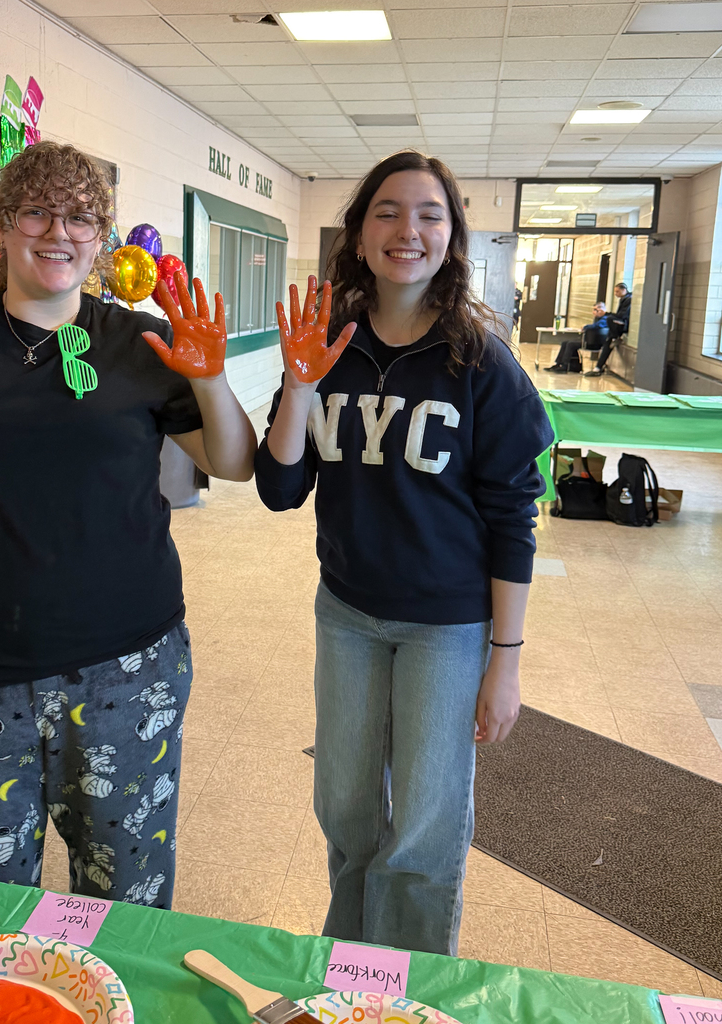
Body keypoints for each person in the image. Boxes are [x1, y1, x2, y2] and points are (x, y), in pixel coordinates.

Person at [0, 141, 256, 906]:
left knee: (127, 902)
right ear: (1, 223)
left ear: (103, 238)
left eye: (81, 217)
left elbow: (232, 462)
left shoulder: (141, 343)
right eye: (36, 210)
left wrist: (210, 376)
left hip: (130, 669)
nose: (58, 231)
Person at [253, 150, 553, 956]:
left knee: (424, 822)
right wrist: (300, 385)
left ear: (452, 237)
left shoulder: (480, 360)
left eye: (429, 214)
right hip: (347, 612)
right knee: (346, 808)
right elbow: (280, 491)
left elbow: (514, 513)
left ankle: (410, 984)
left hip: (445, 626)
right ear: (358, 233)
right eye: (387, 211)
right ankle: (350, 963)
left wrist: (506, 661)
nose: (407, 230)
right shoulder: (326, 345)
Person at [544, 301, 608, 373]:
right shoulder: (598, 319)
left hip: (594, 343)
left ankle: (565, 365)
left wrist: (586, 326)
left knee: (571, 344)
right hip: (588, 340)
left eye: (596, 310)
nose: (594, 312)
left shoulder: (605, 319)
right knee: (565, 343)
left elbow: (596, 326)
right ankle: (559, 363)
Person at [584, 282, 630, 377]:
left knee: (610, 320)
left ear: (623, 290)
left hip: (624, 324)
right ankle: (598, 367)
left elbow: (621, 315)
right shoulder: (624, 299)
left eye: (617, 291)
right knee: (607, 343)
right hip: (618, 324)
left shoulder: (628, 300)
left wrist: (606, 314)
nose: (615, 294)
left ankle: (614, 337)